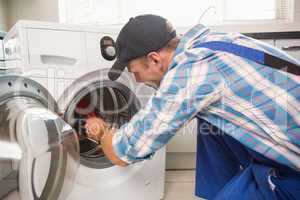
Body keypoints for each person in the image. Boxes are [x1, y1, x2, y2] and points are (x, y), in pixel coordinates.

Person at [85, 14, 300, 199]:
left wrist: (101, 131)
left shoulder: (192, 72)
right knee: (208, 118)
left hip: (294, 172)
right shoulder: (208, 43)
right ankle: (227, 190)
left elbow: (122, 153)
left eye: (135, 72)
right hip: (287, 141)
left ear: (154, 59)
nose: (138, 81)